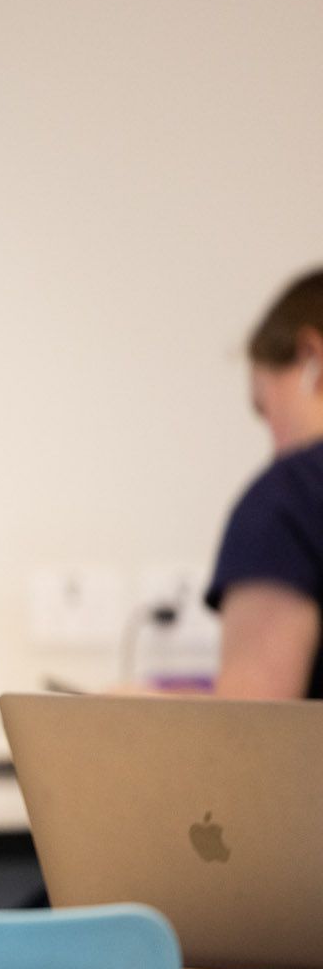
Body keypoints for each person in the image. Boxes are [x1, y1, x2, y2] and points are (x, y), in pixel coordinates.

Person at [207, 269, 323, 700]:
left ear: (313, 355)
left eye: (266, 407)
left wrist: (135, 709)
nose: (272, 440)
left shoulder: (288, 497)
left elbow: (249, 741)